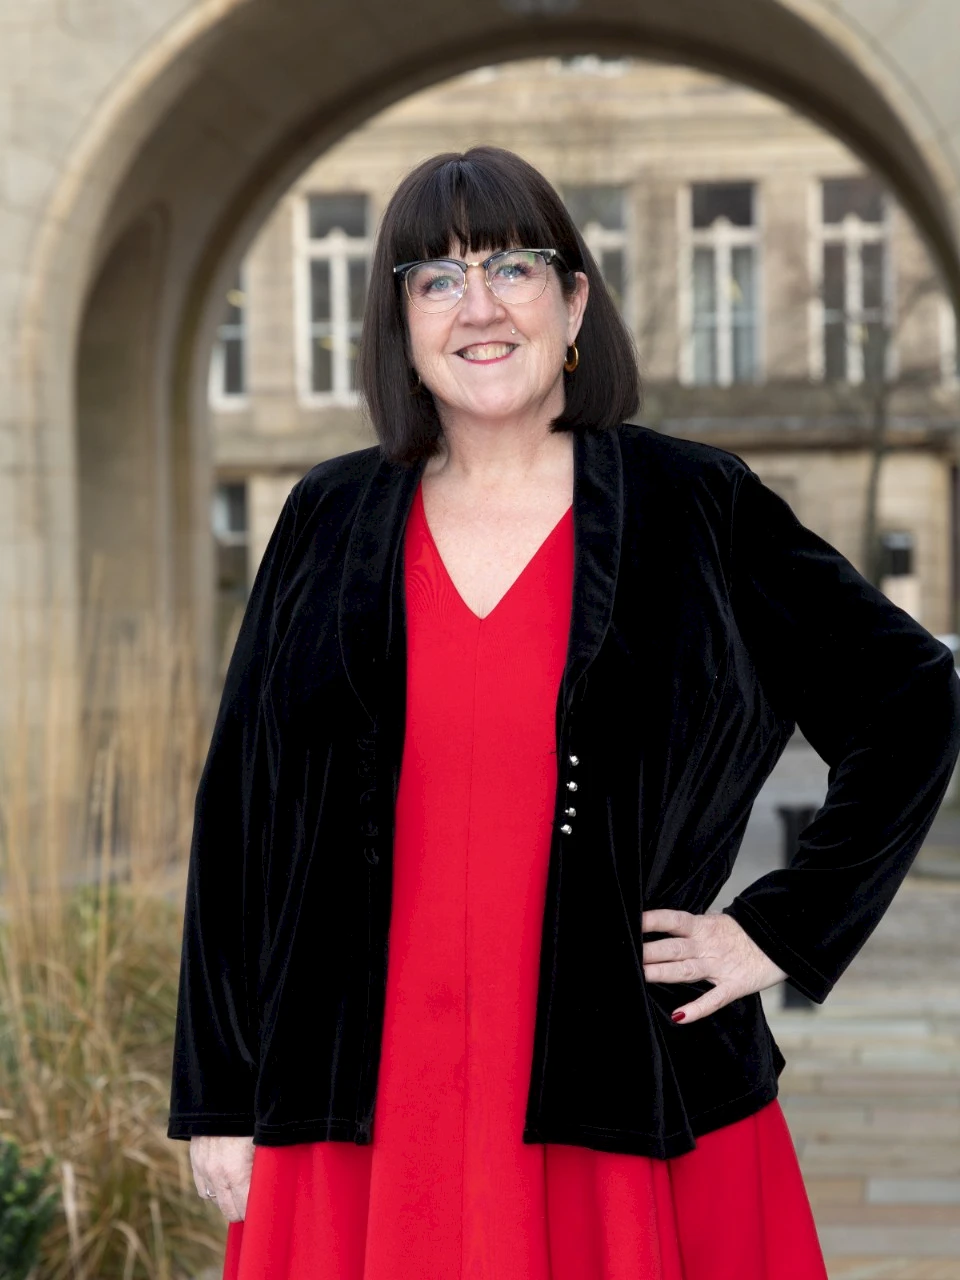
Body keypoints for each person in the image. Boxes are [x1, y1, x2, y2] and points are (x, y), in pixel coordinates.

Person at [168, 145, 960, 1279]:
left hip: (623, 1091)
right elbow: (239, 818)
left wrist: (780, 930)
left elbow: (912, 698)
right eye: (437, 279)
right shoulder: (325, 516)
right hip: (358, 1099)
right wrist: (219, 1093)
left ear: (574, 300)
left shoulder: (697, 505)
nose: (478, 307)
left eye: (513, 268)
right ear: (400, 322)